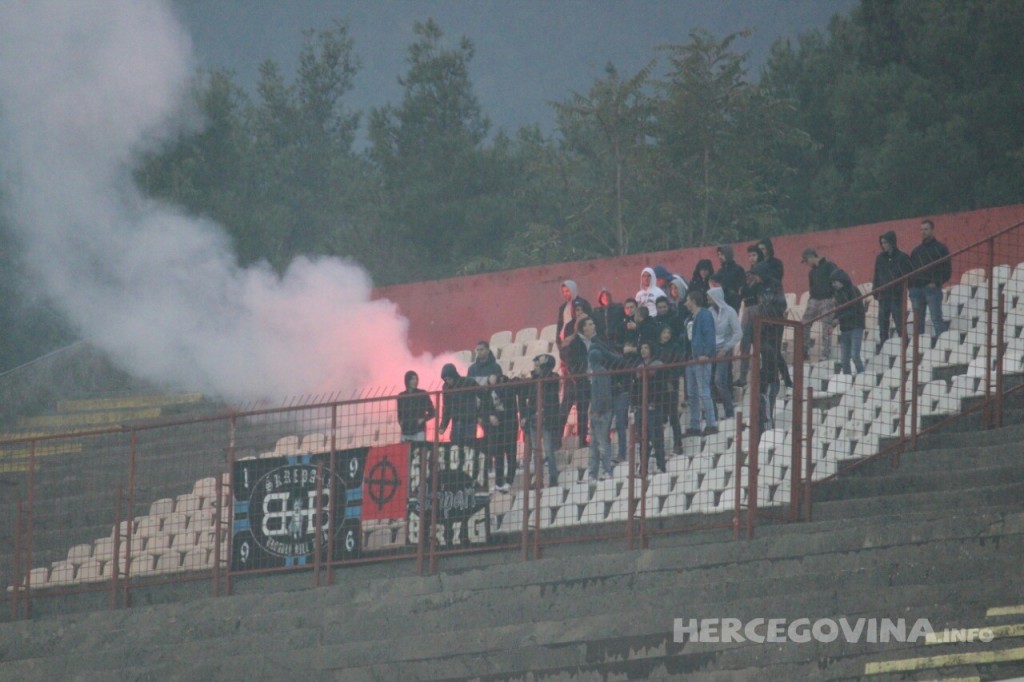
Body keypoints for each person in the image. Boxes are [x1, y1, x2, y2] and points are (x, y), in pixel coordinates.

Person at [579, 317, 624, 483]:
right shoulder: (597, 373)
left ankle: (605, 471)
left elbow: (603, 395)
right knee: (595, 445)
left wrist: (597, 408)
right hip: (598, 411)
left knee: (602, 443)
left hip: (601, 412)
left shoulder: (601, 373)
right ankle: (593, 473)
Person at [747, 263, 788, 434]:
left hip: (774, 326)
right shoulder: (757, 287)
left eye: (755, 275)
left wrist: (769, 312)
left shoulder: (775, 285)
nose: (753, 278)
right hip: (763, 327)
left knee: (773, 353)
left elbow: (781, 304)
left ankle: (783, 379)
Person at [519, 354, 562, 486]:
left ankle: (553, 477)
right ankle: (539, 479)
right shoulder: (533, 380)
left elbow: (548, 381)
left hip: (547, 418)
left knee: (549, 449)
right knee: (536, 451)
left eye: (538, 365)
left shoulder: (553, 377)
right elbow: (528, 400)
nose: (535, 368)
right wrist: (525, 416)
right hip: (533, 418)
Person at [909, 219, 952, 340]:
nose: (923, 232)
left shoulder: (941, 248)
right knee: (918, 323)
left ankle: (943, 343)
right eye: (921, 229)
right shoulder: (916, 251)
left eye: (926, 229)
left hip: (932, 289)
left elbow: (947, 270)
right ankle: (919, 348)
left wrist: (937, 282)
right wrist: (911, 287)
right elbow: (910, 271)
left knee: (936, 318)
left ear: (932, 230)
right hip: (916, 290)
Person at [558, 298, 592, 446]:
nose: (579, 312)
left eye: (581, 309)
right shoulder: (570, 327)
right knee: (564, 410)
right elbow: (564, 351)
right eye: (577, 310)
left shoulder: (591, 326)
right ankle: (556, 440)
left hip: (585, 376)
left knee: (583, 410)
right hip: (572, 376)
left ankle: (583, 440)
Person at [684, 290, 718, 436]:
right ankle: (695, 425)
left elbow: (709, 335)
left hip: (701, 358)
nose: (686, 303)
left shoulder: (704, 315)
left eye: (688, 300)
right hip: (691, 359)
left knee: (703, 391)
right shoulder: (691, 318)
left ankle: (711, 423)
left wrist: (707, 353)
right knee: (692, 393)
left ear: (693, 300)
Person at [873, 230, 914, 347]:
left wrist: (899, 288)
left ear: (892, 242)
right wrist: (875, 290)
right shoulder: (880, 258)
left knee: (899, 323)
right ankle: (883, 346)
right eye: (881, 243)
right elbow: (876, 275)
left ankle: (905, 346)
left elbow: (907, 275)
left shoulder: (903, 257)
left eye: (885, 242)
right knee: (883, 325)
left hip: (896, 296)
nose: (883, 245)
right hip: (883, 296)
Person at [707, 285, 741, 420]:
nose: (708, 301)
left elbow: (738, 333)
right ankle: (713, 415)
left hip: (724, 350)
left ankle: (729, 411)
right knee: (709, 383)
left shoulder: (730, 312)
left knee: (719, 381)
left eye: (710, 298)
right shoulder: (709, 312)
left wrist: (726, 348)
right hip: (710, 350)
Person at [633, 341, 667, 474]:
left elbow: (661, 387)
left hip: (654, 407)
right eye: (641, 348)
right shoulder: (639, 367)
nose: (643, 350)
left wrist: (655, 402)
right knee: (643, 440)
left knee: (656, 438)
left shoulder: (658, 366)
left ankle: (661, 465)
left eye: (646, 347)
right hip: (642, 409)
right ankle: (643, 467)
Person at [481, 372, 520, 492]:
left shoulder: (507, 387)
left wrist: (496, 387)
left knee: (510, 453)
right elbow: (484, 407)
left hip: (509, 425)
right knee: (498, 455)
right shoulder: (488, 391)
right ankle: (498, 482)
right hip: (497, 428)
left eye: (493, 376)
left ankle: (510, 481)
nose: (491, 378)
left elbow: (507, 402)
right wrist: (489, 416)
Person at [735, 244, 764, 386]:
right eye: (750, 256)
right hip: (747, 307)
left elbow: (751, 290)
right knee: (745, 343)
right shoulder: (747, 275)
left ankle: (761, 373)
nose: (751, 258)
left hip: (759, 308)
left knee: (760, 342)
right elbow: (741, 291)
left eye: (754, 255)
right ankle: (743, 376)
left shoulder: (764, 272)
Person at [801, 248, 837, 362]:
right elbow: (811, 288)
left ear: (811, 257)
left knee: (826, 326)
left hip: (827, 298)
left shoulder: (829, 265)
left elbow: (836, 280)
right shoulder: (811, 272)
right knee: (804, 323)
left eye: (806, 260)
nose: (806, 263)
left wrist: (834, 298)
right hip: (815, 299)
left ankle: (826, 354)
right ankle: (804, 350)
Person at [829, 269, 866, 375]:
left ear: (841, 280)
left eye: (834, 282)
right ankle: (847, 381)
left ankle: (862, 377)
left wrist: (839, 319)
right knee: (844, 360)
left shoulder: (853, 291)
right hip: (845, 328)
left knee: (855, 356)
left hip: (856, 327)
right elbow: (838, 311)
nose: (833, 284)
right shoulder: (837, 294)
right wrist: (833, 322)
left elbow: (855, 310)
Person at [656, 323, 685, 454]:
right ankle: (659, 446)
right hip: (657, 387)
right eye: (664, 332)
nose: (666, 335)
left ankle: (678, 444)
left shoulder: (675, 347)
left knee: (673, 416)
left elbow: (676, 366)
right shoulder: (655, 348)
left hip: (670, 385)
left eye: (668, 332)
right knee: (658, 418)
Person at [612, 341, 641, 465]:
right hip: (618, 393)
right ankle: (622, 453)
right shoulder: (615, 359)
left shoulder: (634, 360)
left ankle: (625, 453)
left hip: (628, 394)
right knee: (619, 424)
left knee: (626, 423)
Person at [438, 363, 481, 447]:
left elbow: (484, 396)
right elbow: (447, 408)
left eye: (449, 378)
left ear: (454, 376)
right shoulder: (446, 387)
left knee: (469, 446)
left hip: (470, 421)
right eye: (446, 379)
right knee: (455, 446)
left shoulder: (469, 382)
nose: (448, 381)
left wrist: (479, 415)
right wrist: (443, 425)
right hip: (456, 421)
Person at [396, 370, 436, 442]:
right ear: (407, 381)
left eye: (416, 379)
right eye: (412, 379)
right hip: (405, 432)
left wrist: (422, 419)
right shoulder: (401, 396)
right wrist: (401, 423)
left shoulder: (422, 394)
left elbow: (432, 412)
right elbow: (399, 414)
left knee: (419, 451)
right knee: (406, 452)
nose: (415, 381)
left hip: (419, 431)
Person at [714, 245, 746, 312]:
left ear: (728, 254)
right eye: (718, 255)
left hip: (735, 304)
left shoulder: (738, 269)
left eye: (722, 254)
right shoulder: (720, 271)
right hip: (723, 304)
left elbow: (741, 287)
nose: (720, 257)